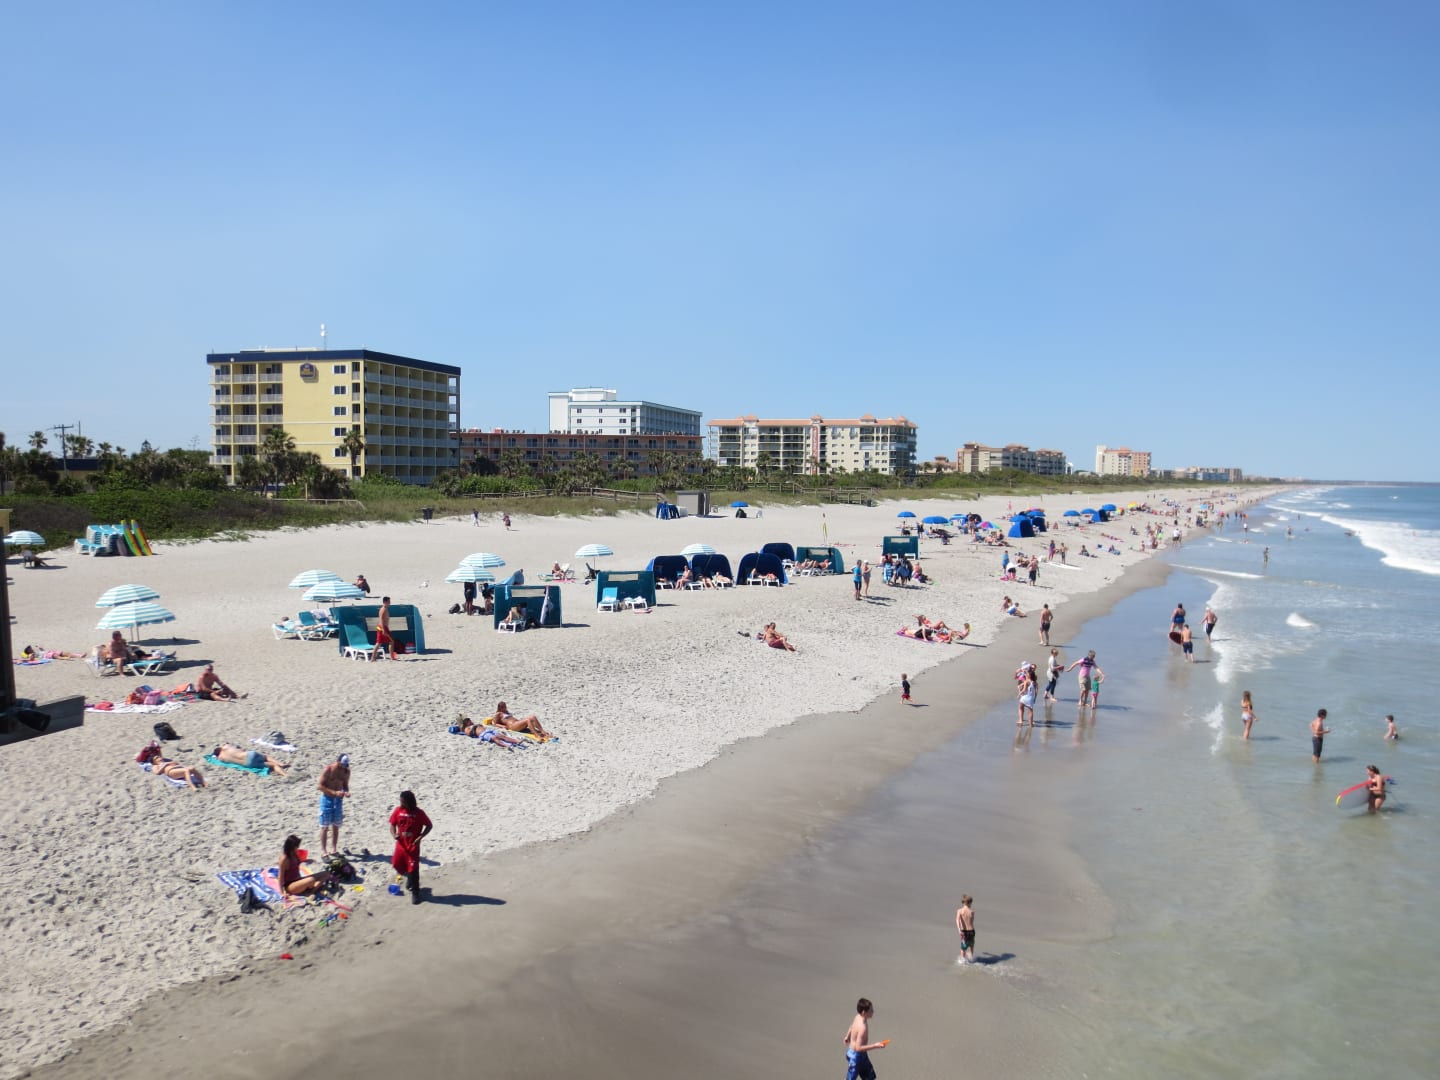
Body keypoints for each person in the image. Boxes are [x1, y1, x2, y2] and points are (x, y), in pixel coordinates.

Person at [390, 790, 433, 904]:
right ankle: (410, 878)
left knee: (413, 869)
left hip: (413, 846)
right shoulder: (398, 811)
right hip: (401, 845)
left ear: (410, 801)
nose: (401, 803)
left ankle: (416, 892)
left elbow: (429, 825)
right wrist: (394, 834)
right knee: (396, 864)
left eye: (403, 801)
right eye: (400, 801)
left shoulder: (419, 813)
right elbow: (392, 824)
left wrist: (420, 837)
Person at [842, 998, 887, 1080]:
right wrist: (875, 1045)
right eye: (871, 1010)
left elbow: (852, 1026)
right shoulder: (862, 1028)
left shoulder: (857, 1016)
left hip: (858, 1054)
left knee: (870, 1077)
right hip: (856, 1057)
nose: (873, 1012)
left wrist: (847, 1036)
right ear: (864, 1012)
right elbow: (858, 1048)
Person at [317, 753, 351, 857]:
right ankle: (324, 851)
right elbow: (320, 786)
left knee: (336, 825)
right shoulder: (328, 770)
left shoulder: (346, 771)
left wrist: (346, 792)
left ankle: (334, 849)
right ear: (338, 762)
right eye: (342, 765)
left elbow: (345, 785)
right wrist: (334, 793)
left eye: (345, 765)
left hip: (338, 801)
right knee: (324, 826)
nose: (344, 767)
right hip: (327, 799)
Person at [139, 743, 206, 790]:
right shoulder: (155, 766)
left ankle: (204, 783)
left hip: (176, 769)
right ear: (154, 762)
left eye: (158, 757)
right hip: (171, 772)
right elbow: (157, 772)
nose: (159, 758)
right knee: (186, 770)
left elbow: (176, 763)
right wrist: (164, 765)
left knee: (192, 768)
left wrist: (170, 763)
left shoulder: (165, 761)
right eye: (157, 758)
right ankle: (193, 787)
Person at [212, 742, 287, 774]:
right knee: (266, 757)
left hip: (248, 764)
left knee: (272, 765)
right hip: (249, 754)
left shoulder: (221, 758)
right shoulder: (226, 747)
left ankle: (284, 775)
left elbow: (215, 759)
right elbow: (240, 749)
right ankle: (281, 764)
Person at [371, 596, 394, 661]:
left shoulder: (384, 609)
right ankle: (391, 657)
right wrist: (384, 630)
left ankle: (373, 658)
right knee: (390, 641)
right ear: (385, 602)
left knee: (380, 643)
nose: (390, 603)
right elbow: (381, 619)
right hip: (382, 627)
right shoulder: (383, 609)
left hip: (382, 627)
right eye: (389, 602)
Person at [956, 894, 976, 963]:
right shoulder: (972, 912)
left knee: (963, 948)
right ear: (970, 903)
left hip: (964, 931)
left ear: (963, 902)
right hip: (972, 931)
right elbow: (971, 922)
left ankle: (963, 960)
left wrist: (959, 930)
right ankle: (971, 958)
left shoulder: (960, 911)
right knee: (971, 946)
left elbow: (957, 920)